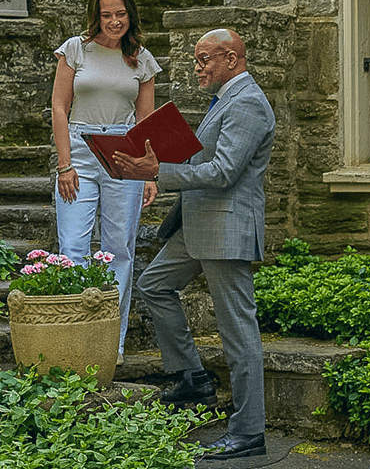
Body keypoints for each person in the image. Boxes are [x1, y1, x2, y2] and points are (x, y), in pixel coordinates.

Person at [113, 28, 274, 461]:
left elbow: (223, 172)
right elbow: (204, 159)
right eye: (197, 59)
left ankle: (248, 432)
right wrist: (156, 153)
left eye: (204, 59)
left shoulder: (249, 104)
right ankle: (192, 376)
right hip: (197, 223)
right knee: (153, 286)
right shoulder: (224, 101)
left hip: (225, 229)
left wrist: (158, 172)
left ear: (232, 59)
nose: (197, 67)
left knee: (238, 334)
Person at [51, 0, 160, 364]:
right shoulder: (75, 49)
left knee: (119, 250)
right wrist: (65, 165)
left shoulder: (141, 59)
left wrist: (149, 173)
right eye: (106, 15)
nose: (115, 22)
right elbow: (60, 108)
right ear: (95, 16)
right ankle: (75, 336)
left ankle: (110, 342)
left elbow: (146, 119)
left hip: (125, 151)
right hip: (80, 148)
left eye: (121, 14)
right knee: (74, 247)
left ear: (130, 14)